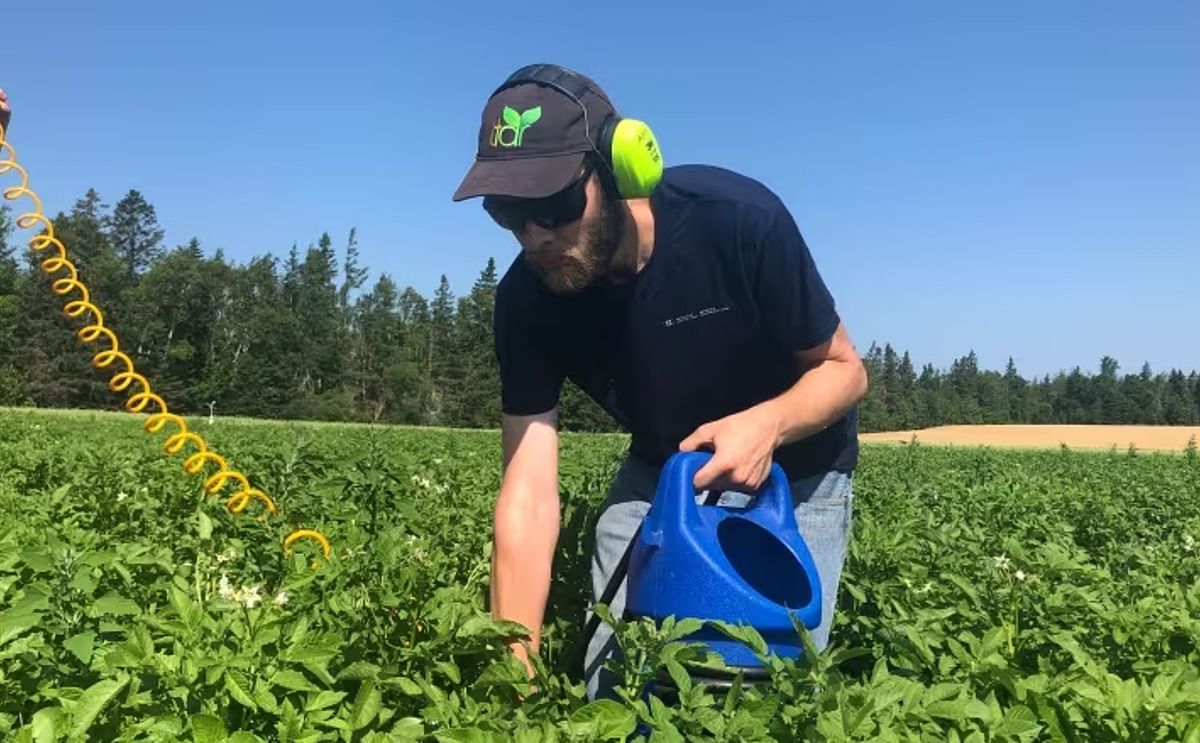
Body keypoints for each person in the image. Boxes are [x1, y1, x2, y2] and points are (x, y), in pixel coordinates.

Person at [452, 63, 868, 701]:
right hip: (663, 467)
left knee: (763, 679)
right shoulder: (527, 301)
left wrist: (766, 424)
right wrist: (515, 671)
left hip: (798, 469)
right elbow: (528, 492)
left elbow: (843, 372)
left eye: (554, 204)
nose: (536, 236)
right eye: (508, 212)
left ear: (621, 171)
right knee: (617, 681)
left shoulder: (737, 222)